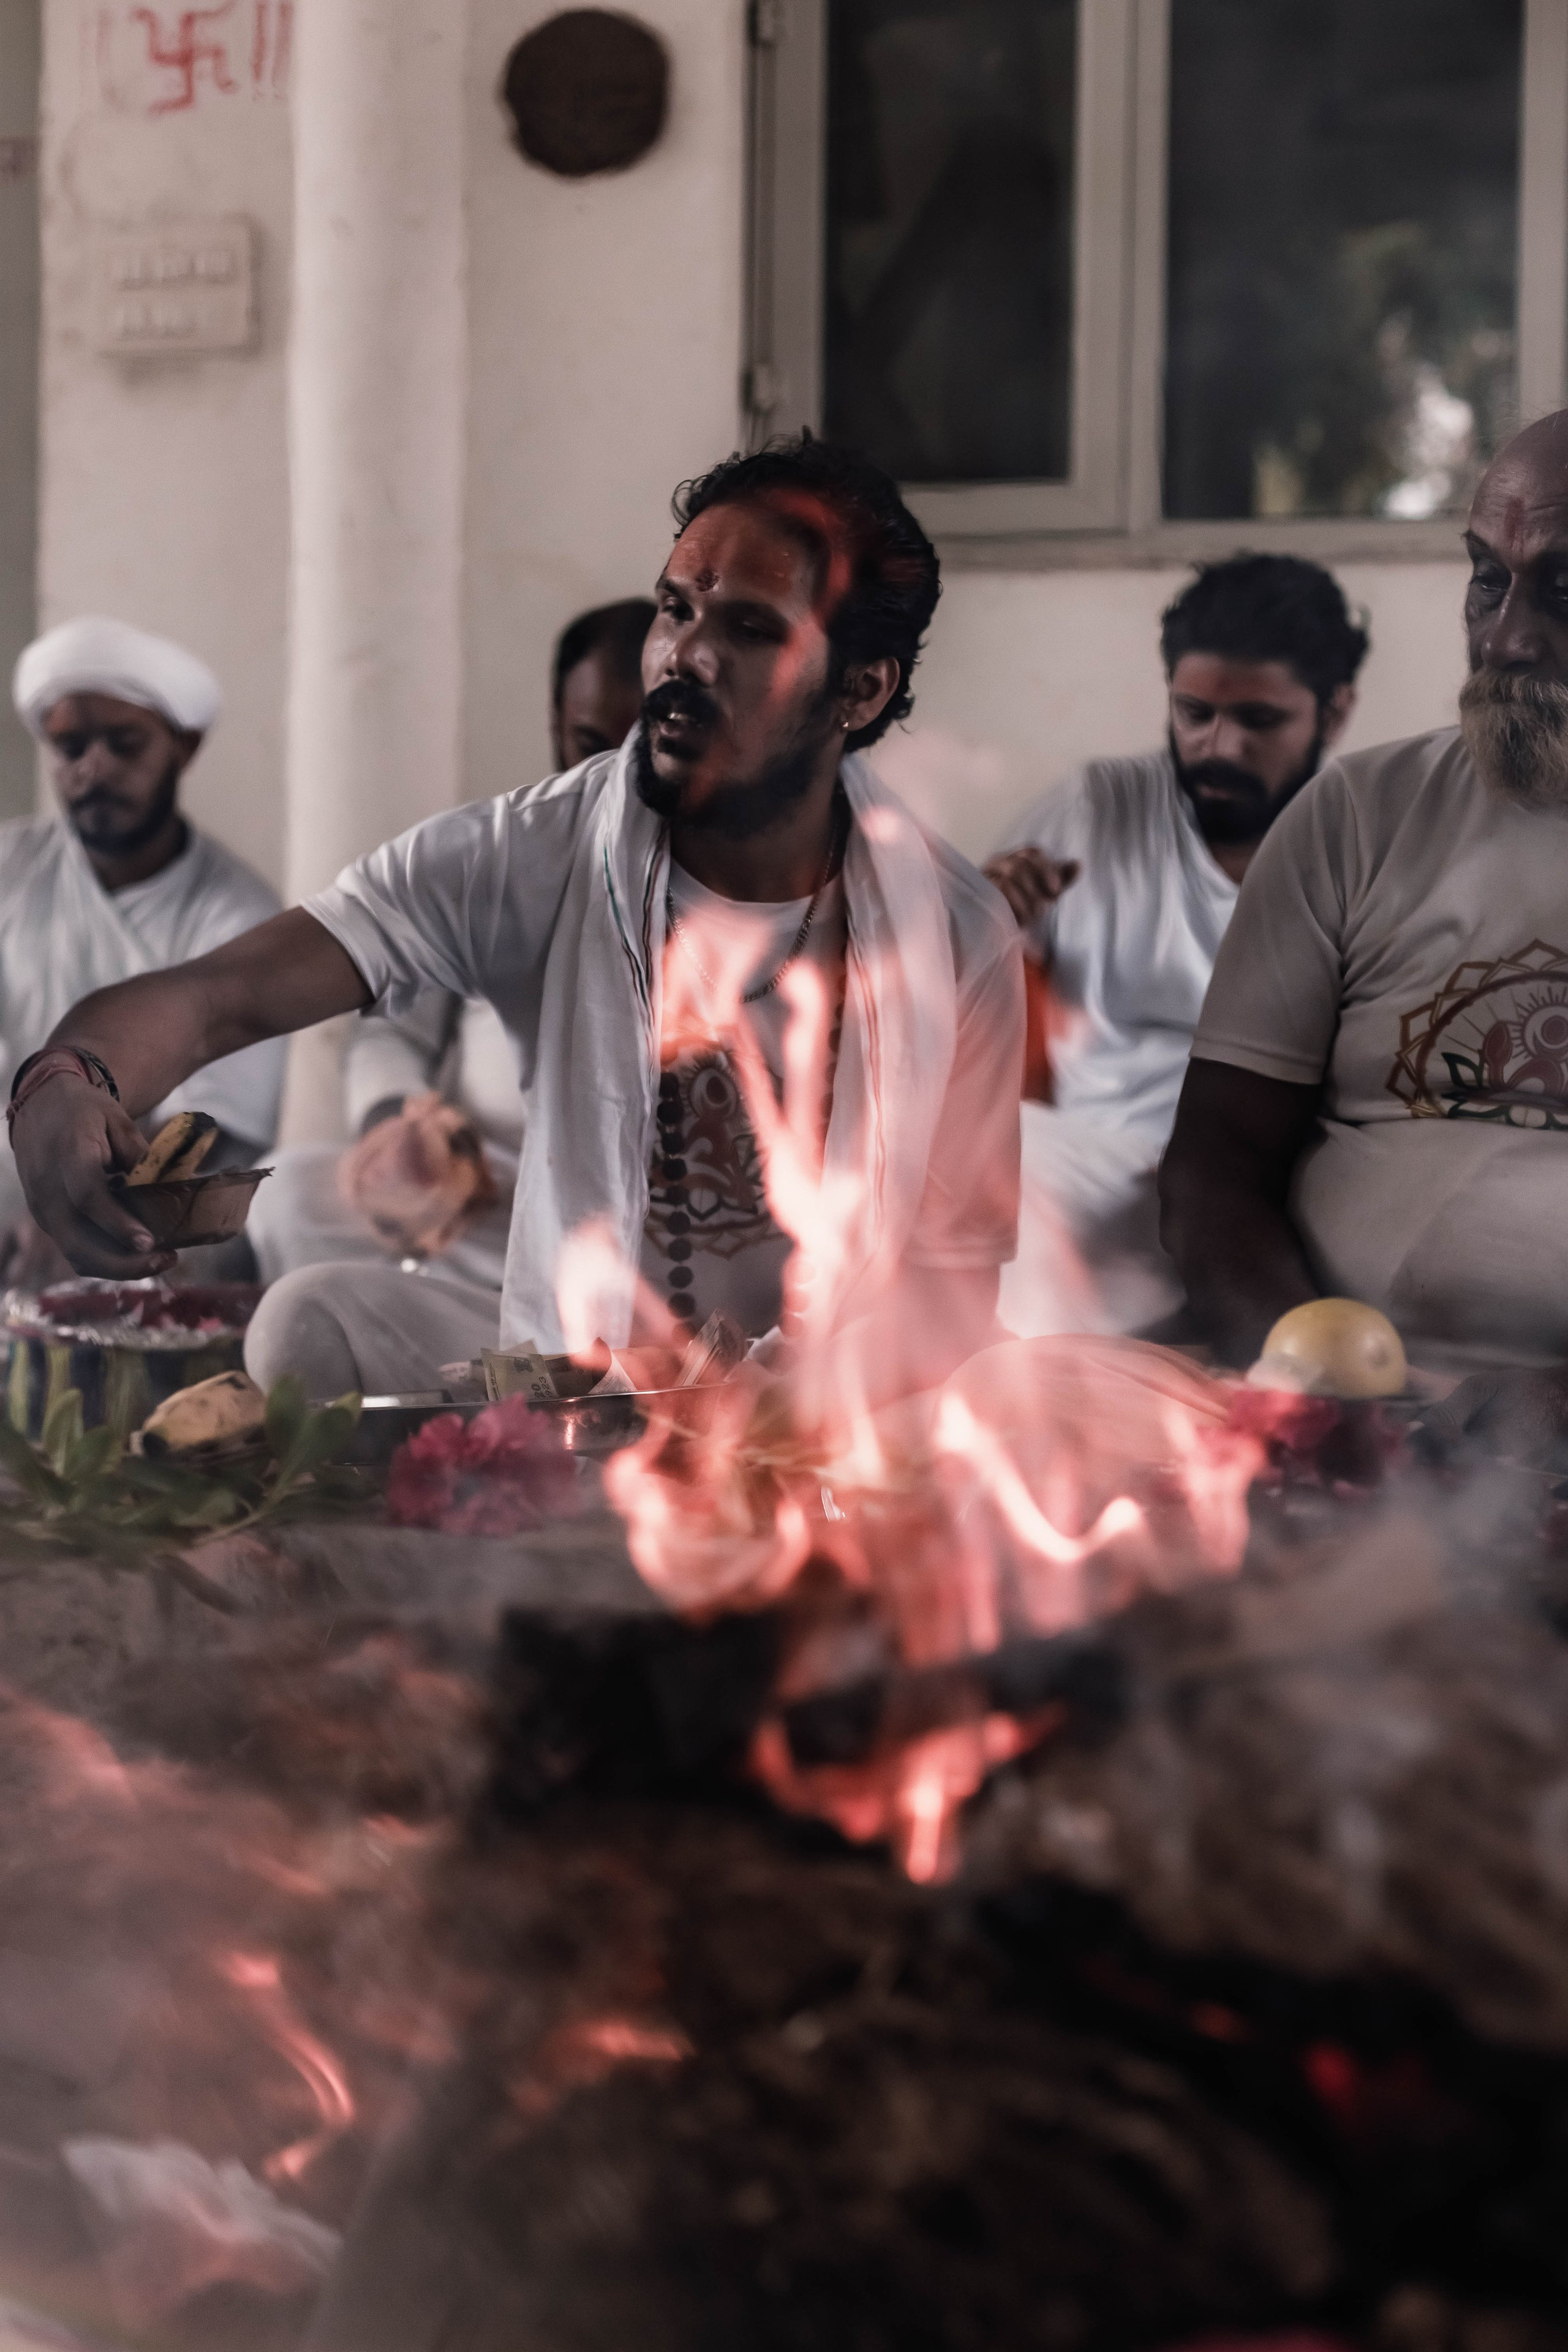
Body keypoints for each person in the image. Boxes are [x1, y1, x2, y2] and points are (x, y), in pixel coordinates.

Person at [11, 439, 1023, 1406]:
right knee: (306, 1320)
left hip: (822, 1417)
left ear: (860, 690)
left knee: (1043, 1395)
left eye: (751, 630)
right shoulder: (529, 853)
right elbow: (221, 997)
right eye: (675, 610)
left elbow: (954, 1285)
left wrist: (774, 1407)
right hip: (575, 1389)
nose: (685, 656)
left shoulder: (956, 933)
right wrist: (66, 1079)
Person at [1160, 408, 1568, 1452]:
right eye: (1489, 579)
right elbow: (1214, 1166)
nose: (1507, 638)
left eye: (1564, 589)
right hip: (1341, 1419)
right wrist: (1317, 1397)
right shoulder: (1358, 816)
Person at [982, 556, 1368, 1337]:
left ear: (1333, 712)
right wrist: (974, 922)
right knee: (959, 1159)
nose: (1218, 746)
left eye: (1258, 721)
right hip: (1087, 1162)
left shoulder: (1362, 846)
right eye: (1194, 713)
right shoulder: (1096, 810)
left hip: (1262, 1173)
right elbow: (970, 1025)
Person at [246, 598, 656, 1298]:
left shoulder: (714, 882)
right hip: (478, 1205)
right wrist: (398, 1125)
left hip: (626, 1229)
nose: (610, 778)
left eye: (636, 751)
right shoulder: (497, 861)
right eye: (589, 744)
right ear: (554, 727)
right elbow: (391, 1032)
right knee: (286, 1199)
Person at [0, 616, 284, 1283]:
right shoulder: (10, 868)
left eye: (125, 744)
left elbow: (204, 1123)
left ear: (184, 747)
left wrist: (78, 1212)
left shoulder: (236, 913)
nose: (94, 768)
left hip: (154, 1196)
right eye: (71, 747)